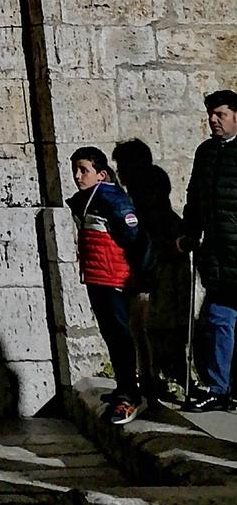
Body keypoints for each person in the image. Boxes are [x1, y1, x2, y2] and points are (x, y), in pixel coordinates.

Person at [68, 147, 147, 425]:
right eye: (75, 170)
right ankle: (124, 386)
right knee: (112, 335)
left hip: (114, 277)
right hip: (97, 277)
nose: (78, 176)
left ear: (101, 174)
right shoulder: (89, 199)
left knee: (121, 334)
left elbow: (135, 238)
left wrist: (141, 277)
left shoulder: (111, 198)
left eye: (84, 170)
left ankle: (131, 395)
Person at [179, 89, 237, 413]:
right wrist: (189, 234)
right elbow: (195, 199)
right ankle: (219, 389)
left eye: (221, 114)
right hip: (217, 256)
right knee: (218, 320)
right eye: (211, 115)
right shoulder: (205, 153)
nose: (213, 120)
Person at [111, 138, 179, 404]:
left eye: (122, 165)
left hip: (147, 270)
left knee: (144, 326)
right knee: (143, 327)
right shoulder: (140, 197)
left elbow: (144, 238)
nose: (120, 173)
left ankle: (151, 377)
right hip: (146, 269)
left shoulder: (141, 200)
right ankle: (150, 377)